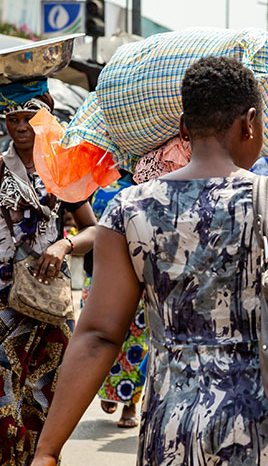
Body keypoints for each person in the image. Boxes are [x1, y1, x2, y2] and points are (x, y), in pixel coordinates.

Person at [30, 56, 268, 466]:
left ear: (184, 127)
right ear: (250, 122)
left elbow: (98, 337)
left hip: (175, 433)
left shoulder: (129, 210)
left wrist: (48, 450)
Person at [0, 80, 97, 465]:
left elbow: (94, 230)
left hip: (49, 306)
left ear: (46, 117)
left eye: (29, 117)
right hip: (3, 302)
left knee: (44, 402)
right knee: (5, 405)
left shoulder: (63, 168)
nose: (21, 126)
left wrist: (64, 245)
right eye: (13, 118)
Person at [85, 174, 148, 429]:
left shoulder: (150, 182)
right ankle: (108, 390)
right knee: (101, 334)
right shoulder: (98, 181)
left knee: (136, 340)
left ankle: (130, 403)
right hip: (101, 271)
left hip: (138, 271)